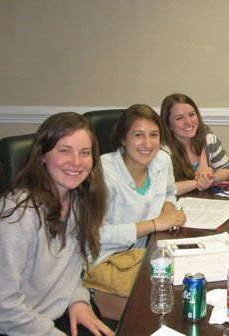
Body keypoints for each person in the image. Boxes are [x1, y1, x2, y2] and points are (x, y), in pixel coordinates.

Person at [0, 112, 114, 336]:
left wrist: (79, 301)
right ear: (42, 155)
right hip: (15, 325)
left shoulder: (79, 202)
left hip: (54, 314)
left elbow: (72, 272)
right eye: (64, 150)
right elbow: (4, 305)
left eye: (85, 153)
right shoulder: (18, 213)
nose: (76, 162)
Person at [89, 104, 186, 319]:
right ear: (123, 138)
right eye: (138, 135)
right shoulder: (103, 172)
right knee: (158, 313)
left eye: (154, 135)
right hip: (104, 261)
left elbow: (169, 192)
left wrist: (169, 209)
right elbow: (96, 234)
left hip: (140, 256)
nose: (148, 144)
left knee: (185, 288)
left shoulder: (162, 160)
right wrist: (156, 224)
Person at [160, 93, 229, 195]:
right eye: (179, 118)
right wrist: (199, 182)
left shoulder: (208, 138)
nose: (189, 122)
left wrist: (212, 179)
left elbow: (228, 168)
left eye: (192, 114)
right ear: (169, 124)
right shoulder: (163, 150)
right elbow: (163, 188)